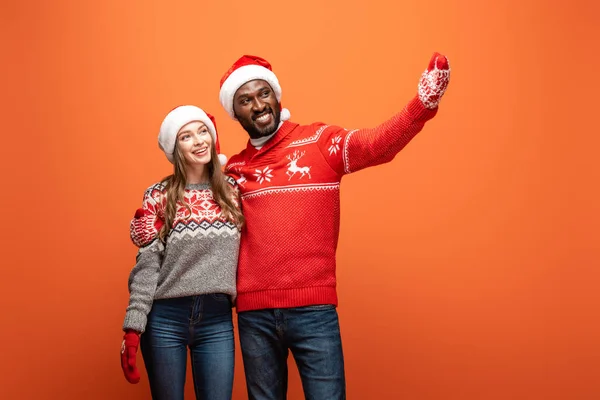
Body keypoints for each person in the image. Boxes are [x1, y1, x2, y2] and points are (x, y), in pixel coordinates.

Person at [132, 52, 451, 400]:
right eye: (245, 100)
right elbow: (191, 198)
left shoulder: (320, 143)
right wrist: (150, 221)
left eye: (263, 93)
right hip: (254, 317)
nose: (257, 105)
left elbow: (376, 145)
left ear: (277, 95)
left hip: (314, 312)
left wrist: (422, 105)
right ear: (235, 114)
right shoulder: (233, 173)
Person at [119, 105, 244, 400]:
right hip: (165, 317)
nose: (198, 141)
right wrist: (133, 327)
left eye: (203, 132)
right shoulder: (158, 195)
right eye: (186, 136)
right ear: (175, 148)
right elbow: (148, 264)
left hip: (217, 317)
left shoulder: (233, 191)